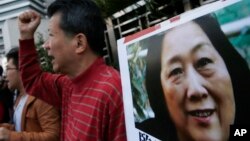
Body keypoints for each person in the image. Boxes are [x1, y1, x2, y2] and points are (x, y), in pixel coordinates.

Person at [17, 0, 126, 140]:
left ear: (79, 43)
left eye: (51, 35)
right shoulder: (68, 85)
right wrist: (26, 36)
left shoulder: (114, 90)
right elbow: (33, 81)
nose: (46, 45)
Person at [137, 14, 250, 141]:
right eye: (176, 71)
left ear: (230, 69)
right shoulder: (141, 134)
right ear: (160, 91)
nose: (195, 89)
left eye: (204, 62)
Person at [0, 48, 60, 141]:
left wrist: (11, 136)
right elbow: (22, 128)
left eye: (8, 68)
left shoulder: (42, 97)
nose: (5, 75)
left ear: (22, 70)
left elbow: (53, 136)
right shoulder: (20, 97)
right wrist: (6, 128)